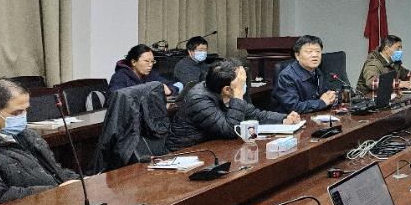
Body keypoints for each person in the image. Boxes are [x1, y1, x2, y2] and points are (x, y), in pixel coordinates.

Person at [167, 59, 302, 152]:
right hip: (186, 152)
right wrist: (237, 95)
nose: (245, 85)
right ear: (227, 89)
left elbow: (255, 114)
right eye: (242, 83)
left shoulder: (222, 91)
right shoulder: (199, 99)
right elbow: (231, 131)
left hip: (214, 147)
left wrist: (284, 118)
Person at [0, 79, 79, 205]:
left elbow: (55, 171)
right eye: (17, 112)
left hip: (56, 202)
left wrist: (81, 181)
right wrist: (55, 191)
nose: (23, 116)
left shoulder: (28, 135)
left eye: (26, 110)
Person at [272, 35, 337, 113]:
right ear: (297, 55)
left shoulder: (317, 71)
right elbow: (294, 107)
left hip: (314, 116)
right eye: (309, 52)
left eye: (318, 51)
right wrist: (322, 103)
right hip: (291, 119)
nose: (315, 55)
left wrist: (330, 97)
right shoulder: (287, 76)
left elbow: (324, 94)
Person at [109, 44, 179, 96]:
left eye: (152, 61)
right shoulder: (120, 76)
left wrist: (170, 90)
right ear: (134, 62)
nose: (150, 65)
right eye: (147, 61)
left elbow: (176, 84)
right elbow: (116, 96)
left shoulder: (151, 75)